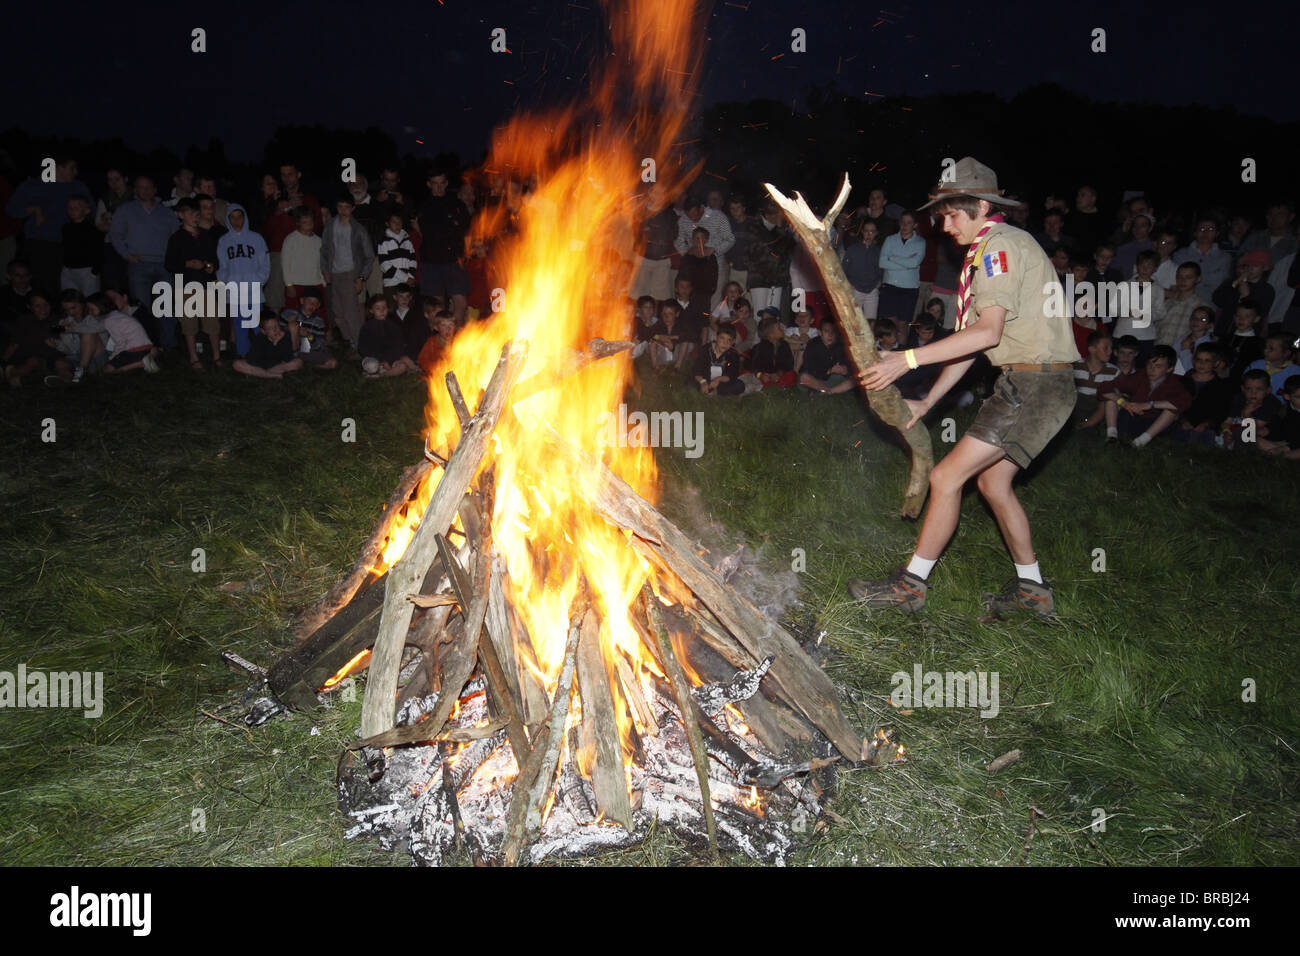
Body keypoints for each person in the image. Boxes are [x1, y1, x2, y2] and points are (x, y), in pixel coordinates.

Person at [852, 157, 1080, 620]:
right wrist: (928, 401)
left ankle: (910, 588)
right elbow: (969, 345)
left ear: (980, 206)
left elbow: (987, 334)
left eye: (953, 214)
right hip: (1032, 381)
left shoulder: (999, 248)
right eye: (941, 215)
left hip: (1034, 384)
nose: (945, 224)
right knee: (993, 484)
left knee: (945, 477)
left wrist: (907, 359)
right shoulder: (986, 252)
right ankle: (1034, 593)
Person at [4, 157, 93, 295]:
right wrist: (34, 209)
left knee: (69, 288)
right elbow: (12, 209)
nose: (76, 172)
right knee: (42, 287)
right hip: (40, 244)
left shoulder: (78, 187)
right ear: (59, 168)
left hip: (71, 245)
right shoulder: (34, 184)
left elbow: (91, 211)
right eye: (72, 168)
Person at [109, 176, 179, 346]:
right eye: (141, 187)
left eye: (148, 187)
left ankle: (168, 344)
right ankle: (145, 345)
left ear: (155, 190)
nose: (145, 190)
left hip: (164, 265)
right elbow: (115, 235)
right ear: (135, 190)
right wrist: (126, 255)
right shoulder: (125, 210)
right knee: (142, 308)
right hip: (138, 264)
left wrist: (173, 260)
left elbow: (176, 237)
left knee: (166, 306)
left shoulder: (167, 213)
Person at [164, 198, 222, 370]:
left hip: (206, 285)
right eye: (190, 214)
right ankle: (194, 357)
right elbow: (169, 264)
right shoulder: (176, 238)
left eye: (197, 214)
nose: (195, 217)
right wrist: (187, 264)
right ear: (181, 215)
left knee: (212, 322)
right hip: (185, 286)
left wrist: (209, 266)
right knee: (189, 323)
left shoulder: (206, 236)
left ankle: (217, 355)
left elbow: (214, 261)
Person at [1098, 344, 1192, 446]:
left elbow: (1184, 402)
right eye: (1149, 364)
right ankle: (1112, 437)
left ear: (1169, 369)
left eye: (1158, 366)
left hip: (1155, 423)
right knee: (1113, 398)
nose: (1151, 369)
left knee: (1172, 410)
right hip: (1134, 417)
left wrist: (1150, 404)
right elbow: (1104, 388)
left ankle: (1140, 442)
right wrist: (1123, 402)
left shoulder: (1174, 383)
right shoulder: (1140, 376)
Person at [415, 169, 471, 322]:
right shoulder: (423, 206)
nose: (439, 188)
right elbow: (418, 229)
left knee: (461, 302)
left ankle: (457, 338)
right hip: (432, 261)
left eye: (442, 183)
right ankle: (441, 340)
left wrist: (465, 254)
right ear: (429, 184)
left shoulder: (456, 204)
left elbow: (467, 230)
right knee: (437, 306)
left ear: (446, 184)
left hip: (453, 260)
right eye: (435, 184)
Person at [321, 195, 375, 349]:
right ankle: (351, 340)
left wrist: (360, 277)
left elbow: (369, 256)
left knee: (351, 311)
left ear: (352, 208)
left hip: (350, 273)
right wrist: (325, 269)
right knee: (338, 313)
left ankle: (359, 343)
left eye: (346, 207)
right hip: (334, 273)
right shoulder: (330, 226)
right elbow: (324, 249)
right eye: (340, 207)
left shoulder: (358, 229)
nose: (343, 211)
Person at [216, 203, 270, 356]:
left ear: (245, 218)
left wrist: (258, 280)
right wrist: (226, 282)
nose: (236, 221)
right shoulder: (224, 241)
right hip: (234, 291)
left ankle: (264, 354)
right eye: (232, 217)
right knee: (239, 327)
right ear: (228, 220)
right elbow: (222, 266)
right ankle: (244, 355)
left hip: (253, 289)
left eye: (239, 217)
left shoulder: (256, 238)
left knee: (257, 325)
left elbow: (265, 264)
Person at [877, 211, 926, 338]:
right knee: (890, 325)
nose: (904, 225)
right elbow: (882, 263)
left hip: (909, 288)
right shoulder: (890, 239)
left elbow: (914, 263)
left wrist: (892, 258)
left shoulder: (920, 242)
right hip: (890, 286)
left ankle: (902, 352)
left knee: (903, 324)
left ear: (915, 225)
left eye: (909, 223)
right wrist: (906, 262)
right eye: (902, 222)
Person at [85, 291, 159, 374]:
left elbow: (121, 342)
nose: (90, 313)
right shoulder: (117, 315)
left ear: (101, 306)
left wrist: (113, 357)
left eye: (92, 309)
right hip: (146, 348)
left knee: (107, 370)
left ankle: (138, 364)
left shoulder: (109, 321)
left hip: (133, 350)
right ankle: (141, 362)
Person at [1173, 344, 1234, 445]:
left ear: (1216, 363)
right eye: (1199, 359)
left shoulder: (1221, 386)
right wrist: (1183, 420)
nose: (1202, 364)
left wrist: (1205, 424)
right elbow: (1176, 404)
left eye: (1207, 361)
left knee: (1204, 436)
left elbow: (1221, 412)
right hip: (1183, 421)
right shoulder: (1183, 381)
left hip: (1206, 426)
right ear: (1193, 360)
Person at [1221, 369, 1283, 450]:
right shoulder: (1239, 399)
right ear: (1243, 389)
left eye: (1259, 389)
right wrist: (1226, 431)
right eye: (1248, 389)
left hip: (1260, 434)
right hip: (1237, 429)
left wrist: (1247, 413)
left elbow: (1256, 428)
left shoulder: (1271, 402)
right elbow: (1227, 421)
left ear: (1268, 390)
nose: (1253, 393)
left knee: (1244, 433)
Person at [358, 294, 418, 376]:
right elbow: (363, 347)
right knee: (372, 365)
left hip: (390, 359)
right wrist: (381, 360)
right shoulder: (367, 327)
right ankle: (376, 371)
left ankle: (382, 375)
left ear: (388, 309)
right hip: (374, 358)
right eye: (378, 308)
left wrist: (388, 360)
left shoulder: (393, 326)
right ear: (371, 310)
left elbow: (398, 345)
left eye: (384, 308)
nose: (382, 311)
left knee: (402, 366)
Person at [233, 311, 304, 378]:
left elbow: (287, 358)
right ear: (263, 331)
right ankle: (270, 375)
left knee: (298, 362)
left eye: (276, 326)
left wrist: (277, 344)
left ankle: (267, 374)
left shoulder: (284, 335)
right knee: (237, 364)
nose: (275, 330)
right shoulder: (259, 338)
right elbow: (253, 359)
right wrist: (274, 343)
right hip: (261, 366)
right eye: (270, 328)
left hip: (278, 366)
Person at [1072, 329, 1120, 429]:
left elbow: (1117, 398)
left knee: (1105, 400)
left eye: (1111, 348)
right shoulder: (1076, 365)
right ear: (1092, 349)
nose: (1110, 352)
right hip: (1077, 404)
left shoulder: (1114, 371)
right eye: (1106, 348)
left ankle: (1086, 426)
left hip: (1097, 408)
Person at [1173, 219, 1231, 300]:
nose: (1205, 232)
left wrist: (1191, 279)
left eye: (1210, 229)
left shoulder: (1224, 258)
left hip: (1210, 304)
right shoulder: (1181, 255)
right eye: (1201, 229)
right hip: (1183, 301)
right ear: (1195, 233)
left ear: (1217, 233)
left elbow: (1221, 284)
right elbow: (1176, 282)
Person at [281, 207, 324, 314]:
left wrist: (323, 282)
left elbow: (321, 263)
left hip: (315, 283)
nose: (308, 224)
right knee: (293, 315)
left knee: (318, 316)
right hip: (296, 284)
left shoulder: (319, 241)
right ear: (298, 223)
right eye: (304, 222)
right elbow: (285, 264)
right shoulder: (291, 239)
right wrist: (289, 285)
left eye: (310, 221)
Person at [282, 290, 338, 370]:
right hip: (288, 350)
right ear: (302, 301)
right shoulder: (288, 313)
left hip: (307, 352)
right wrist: (292, 329)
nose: (312, 305)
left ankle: (308, 365)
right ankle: (295, 361)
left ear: (318, 306)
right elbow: (277, 335)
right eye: (309, 301)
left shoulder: (319, 322)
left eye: (315, 303)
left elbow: (319, 346)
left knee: (333, 363)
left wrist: (309, 336)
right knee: (293, 326)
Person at [61, 196, 102, 295]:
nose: (72, 210)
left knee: (90, 299)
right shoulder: (66, 228)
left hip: (86, 270)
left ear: (86, 210)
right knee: (69, 299)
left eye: (76, 208)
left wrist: (94, 271)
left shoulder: (92, 229)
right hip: (68, 270)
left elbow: (98, 250)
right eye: (70, 208)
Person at [842, 220, 882, 321]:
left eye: (872, 231)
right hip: (855, 290)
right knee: (854, 320)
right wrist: (849, 284)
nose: (869, 234)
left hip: (872, 290)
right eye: (866, 231)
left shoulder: (879, 250)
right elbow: (843, 268)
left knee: (870, 321)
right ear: (862, 232)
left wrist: (880, 281)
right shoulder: (852, 249)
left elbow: (883, 268)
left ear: (876, 233)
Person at [690, 324, 744, 395]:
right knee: (690, 382)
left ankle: (715, 392)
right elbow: (697, 369)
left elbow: (731, 374)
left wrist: (718, 379)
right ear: (716, 337)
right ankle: (705, 389)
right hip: (704, 379)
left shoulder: (733, 355)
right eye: (722, 338)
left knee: (739, 385)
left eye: (729, 340)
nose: (725, 343)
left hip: (721, 382)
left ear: (733, 342)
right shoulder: (706, 350)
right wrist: (703, 382)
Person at [1257, 375, 1300, 458]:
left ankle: (1282, 456)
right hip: (1290, 443)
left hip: (1293, 445)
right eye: (1299, 397)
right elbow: (1281, 433)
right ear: (1287, 396)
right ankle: (1281, 454)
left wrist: (1284, 449)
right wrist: (1268, 431)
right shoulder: (1283, 411)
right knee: (1258, 441)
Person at [1245, 332, 1300, 397]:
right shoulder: (1256, 365)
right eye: (1265, 347)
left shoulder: (1295, 372)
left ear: (1286, 353)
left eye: (1271, 349)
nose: (1265, 350)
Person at [749, 317, 796, 388]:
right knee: (750, 375)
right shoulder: (759, 348)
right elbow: (754, 366)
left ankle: (773, 386)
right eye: (779, 328)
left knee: (792, 375)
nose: (782, 329)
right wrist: (761, 375)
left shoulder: (784, 345)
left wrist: (778, 374)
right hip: (765, 376)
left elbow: (789, 364)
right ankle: (772, 386)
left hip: (779, 375)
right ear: (771, 335)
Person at [377, 212, 417, 288]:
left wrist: (410, 277)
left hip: (407, 283)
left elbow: (413, 260)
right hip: (391, 283)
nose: (397, 224)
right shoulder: (384, 242)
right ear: (387, 224)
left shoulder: (407, 241)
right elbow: (385, 265)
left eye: (399, 222)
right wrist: (405, 278)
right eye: (394, 222)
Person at [418, 310, 458, 374]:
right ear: (436, 328)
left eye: (451, 325)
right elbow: (423, 360)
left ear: (455, 327)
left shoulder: (459, 341)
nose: (448, 329)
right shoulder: (432, 342)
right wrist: (434, 367)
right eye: (443, 325)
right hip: (438, 374)